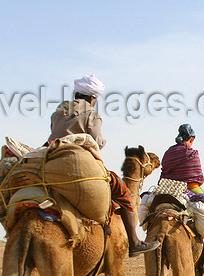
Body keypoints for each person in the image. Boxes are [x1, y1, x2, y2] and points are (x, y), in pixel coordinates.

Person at [47, 74, 159, 257]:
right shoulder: (92, 114)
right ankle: (134, 242)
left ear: (76, 93)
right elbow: (96, 141)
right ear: (93, 97)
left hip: (53, 159)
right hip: (77, 163)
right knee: (122, 192)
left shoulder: (58, 112)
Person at [160, 123, 204, 268]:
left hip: (168, 189)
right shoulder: (192, 153)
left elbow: (165, 170)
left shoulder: (168, 152)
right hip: (190, 188)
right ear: (191, 138)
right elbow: (197, 177)